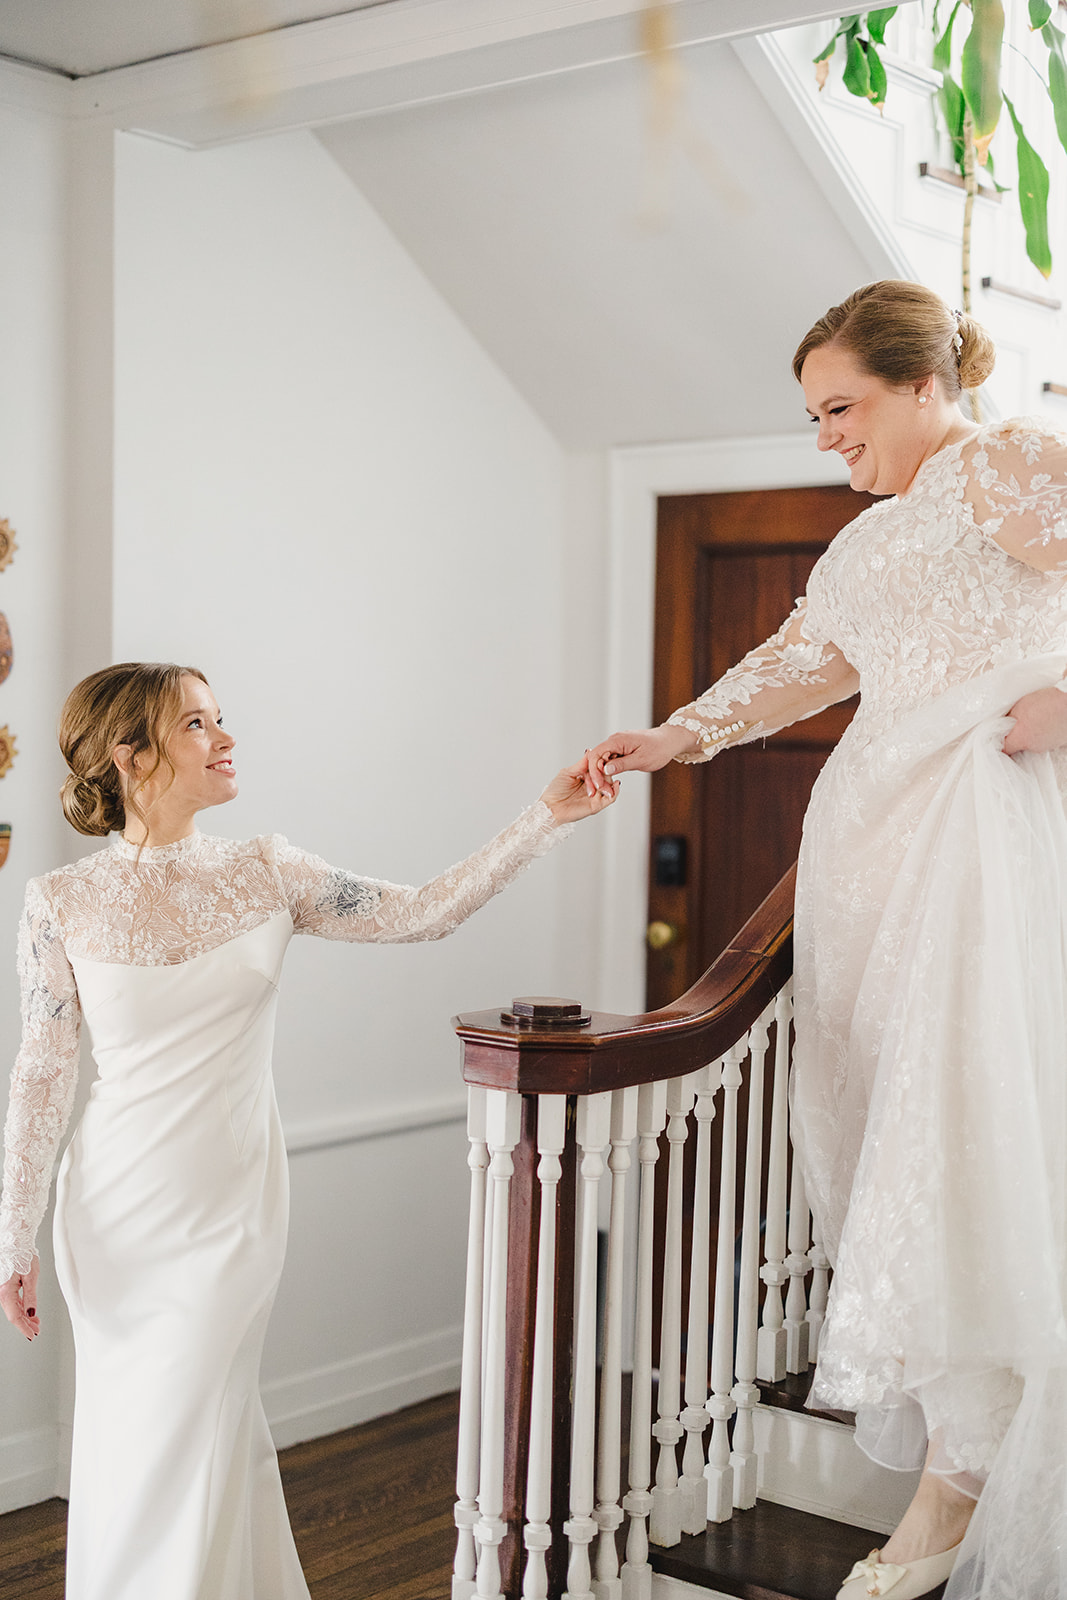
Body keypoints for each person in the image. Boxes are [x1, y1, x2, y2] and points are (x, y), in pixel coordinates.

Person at [584, 280, 1067, 1600]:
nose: (823, 439)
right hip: (866, 862)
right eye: (809, 416)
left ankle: (952, 1494)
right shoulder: (861, 544)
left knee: (957, 1140)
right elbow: (799, 661)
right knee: (879, 1136)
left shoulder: (1006, 469)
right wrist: (677, 736)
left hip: (979, 842)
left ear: (924, 386)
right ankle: (950, 1453)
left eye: (841, 408)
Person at [0, 660, 617, 1600]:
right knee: (139, 1437)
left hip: (231, 1203)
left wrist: (544, 816)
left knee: (194, 1415)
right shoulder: (59, 902)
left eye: (219, 717)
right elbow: (40, 1075)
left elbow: (423, 912)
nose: (226, 737)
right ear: (129, 755)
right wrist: (14, 1233)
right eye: (198, 724)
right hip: (114, 1210)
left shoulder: (266, 870)